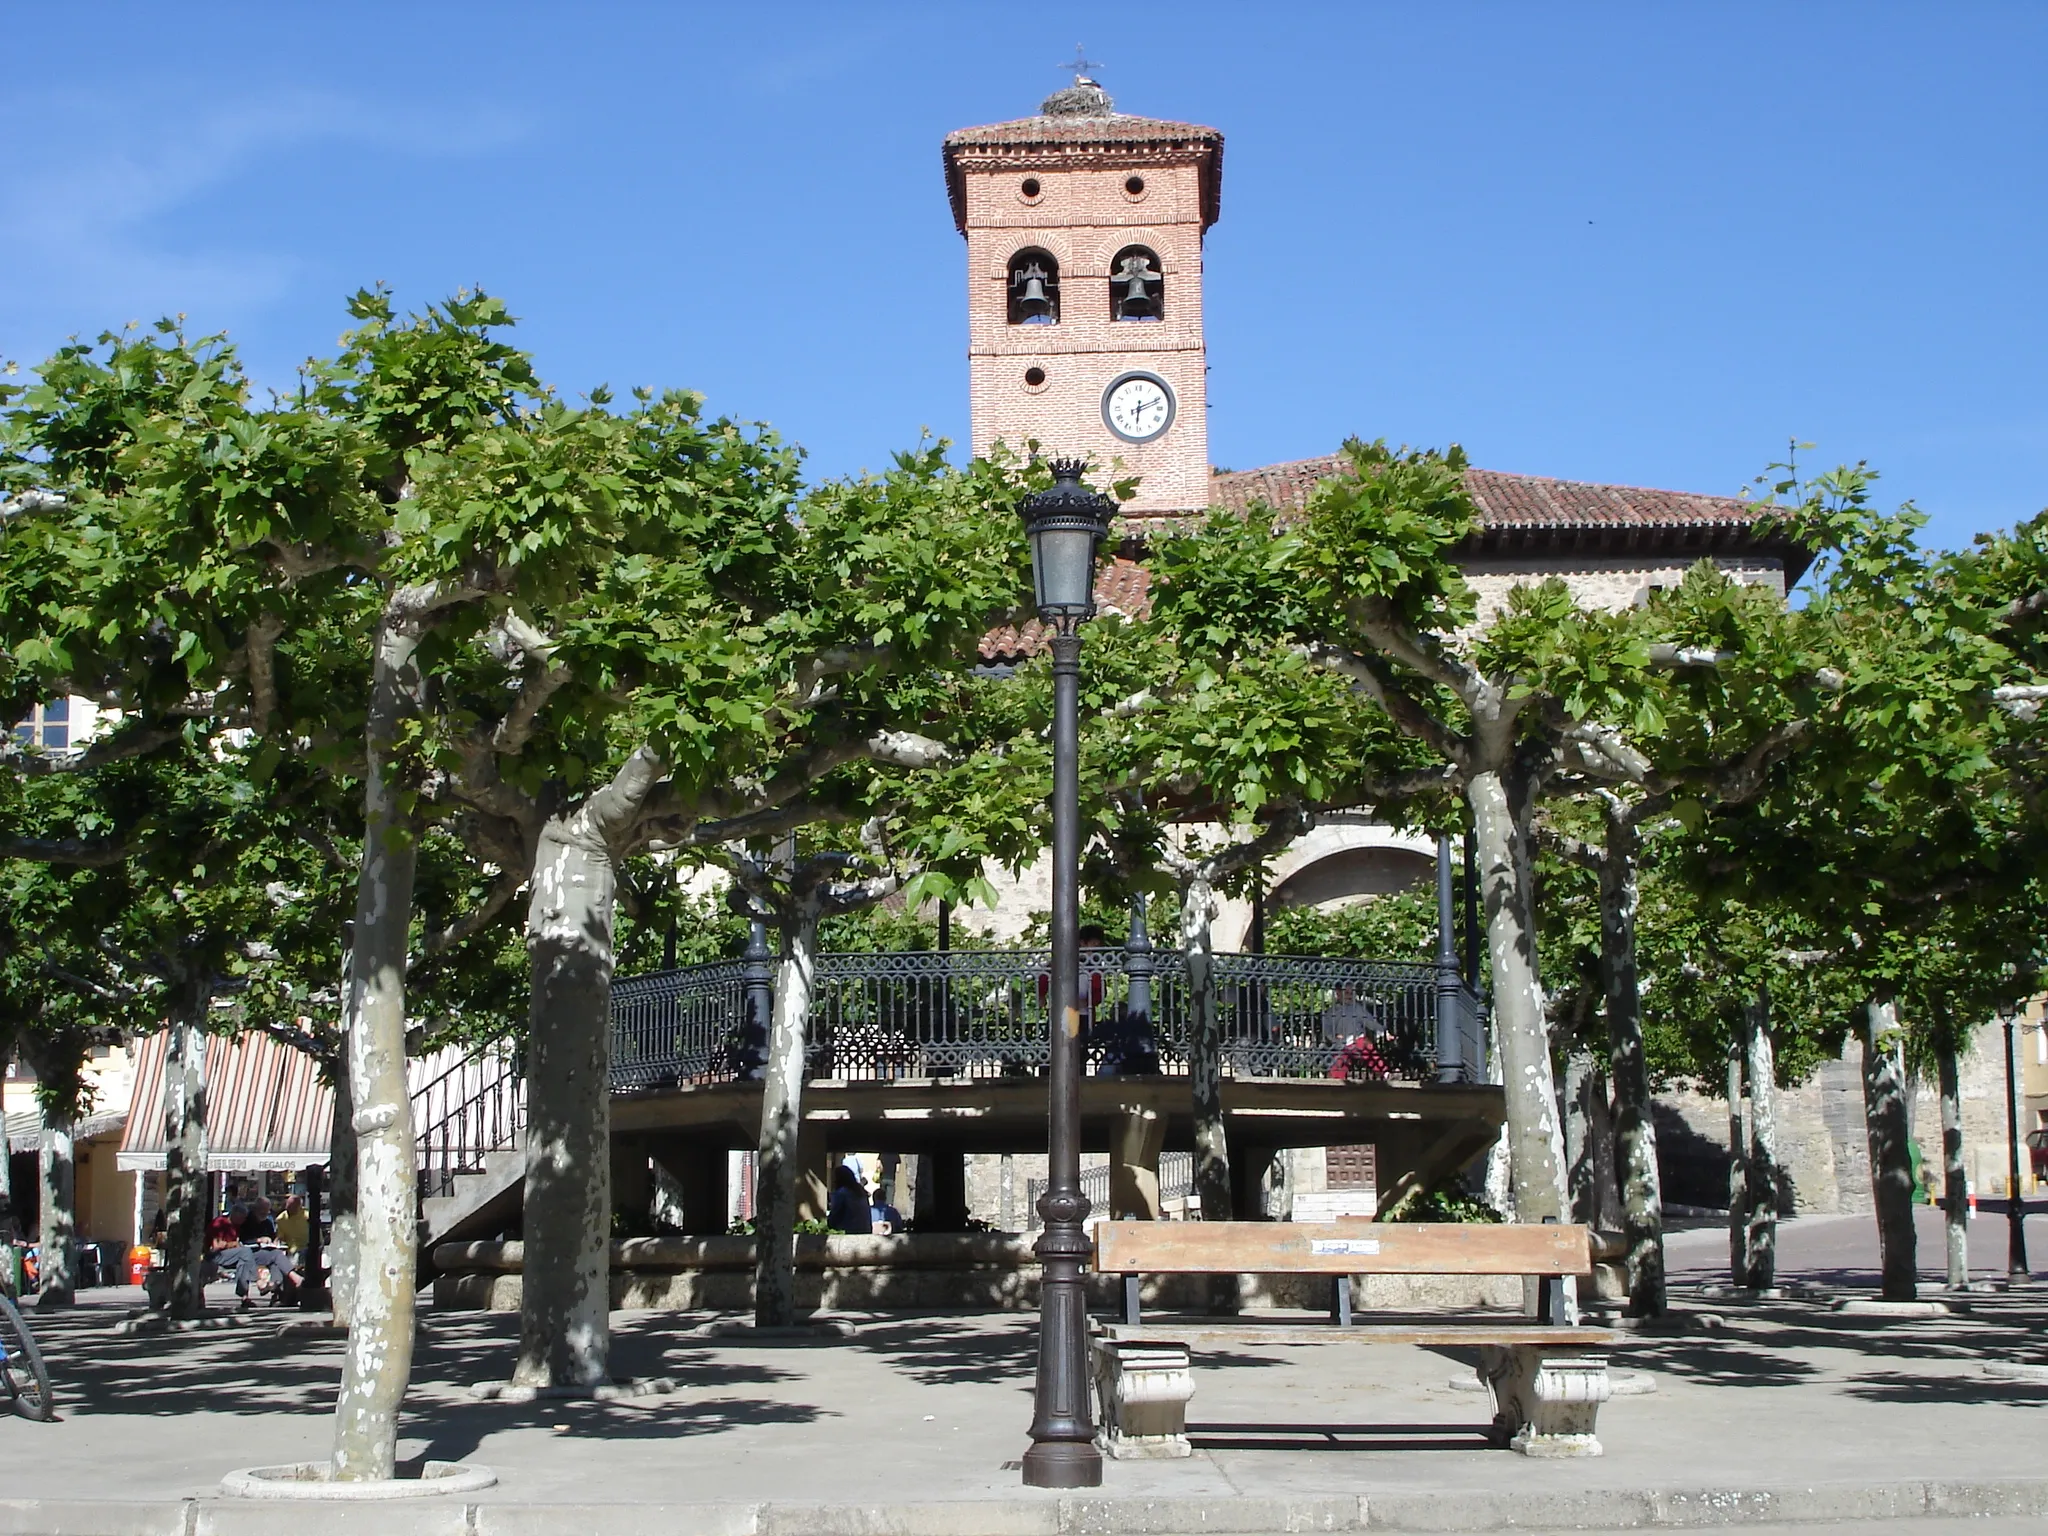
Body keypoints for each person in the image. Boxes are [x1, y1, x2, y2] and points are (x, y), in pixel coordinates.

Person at [826, 1164, 871, 1235]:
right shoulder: (861, 1192)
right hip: (865, 1232)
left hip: (848, 1233)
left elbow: (834, 1218)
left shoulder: (842, 1193)